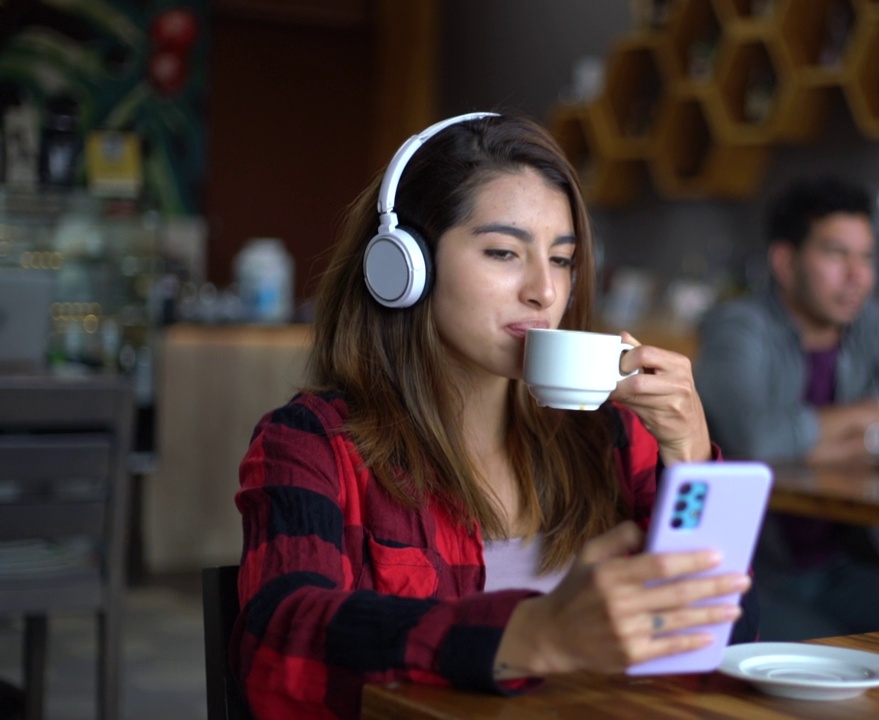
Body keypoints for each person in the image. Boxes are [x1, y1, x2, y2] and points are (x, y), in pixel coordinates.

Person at [231, 113, 757, 719]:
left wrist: (689, 453)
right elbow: (279, 641)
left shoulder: (612, 436)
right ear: (404, 268)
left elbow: (726, 635)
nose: (544, 291)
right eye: (505, 252)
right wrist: (532, 634)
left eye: (562, 260)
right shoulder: (313, 443)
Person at [694, 175, 879, 640]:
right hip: (752, 575)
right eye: (836, 254)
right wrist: (858, 417)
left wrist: (866, 440)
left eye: (865, 257)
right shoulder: (738, 326)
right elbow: (756, 440)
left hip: (843, 570)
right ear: (785, 262)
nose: (857, 275)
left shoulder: (869, 323)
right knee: (841, 673)